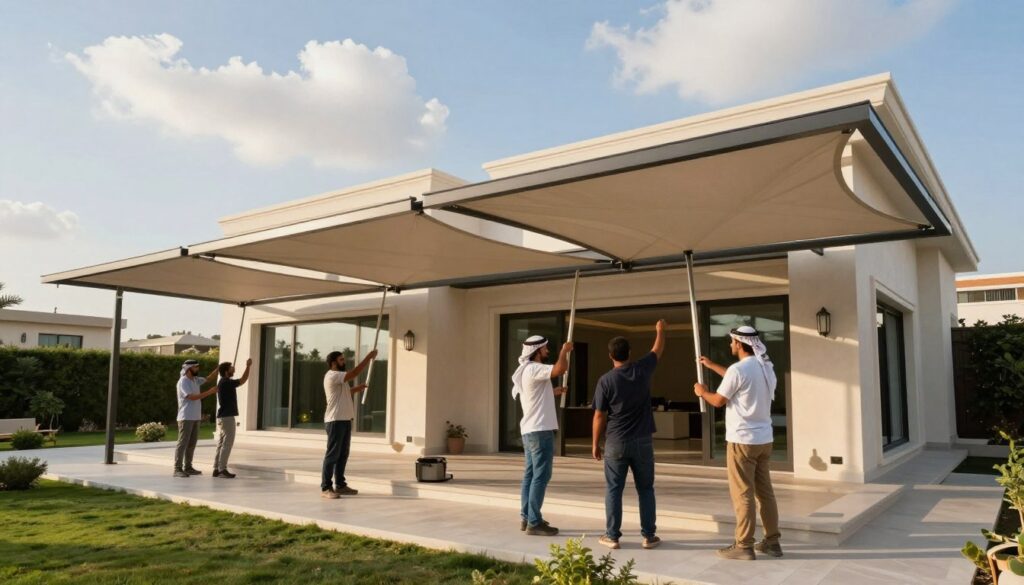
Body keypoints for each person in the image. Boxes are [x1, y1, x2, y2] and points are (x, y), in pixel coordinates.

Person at [694, 325, 782, 560]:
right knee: (765, 493)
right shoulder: (766, 367)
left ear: (740, 344)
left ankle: (743, 546)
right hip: (764, 440)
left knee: (743, 494)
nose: (730, 345)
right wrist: (711, 366)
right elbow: (739, 380)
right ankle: (772, 542)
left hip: (742, 441)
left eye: (732, 342)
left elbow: (719, 400)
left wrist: (702, 392)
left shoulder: (738, 370)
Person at [592, 319, 666, 550]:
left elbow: (599, 416)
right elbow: (657, 349)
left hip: (615, 442)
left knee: (614, 489)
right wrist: (660, 330)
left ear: (610, 355)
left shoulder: (605, 380)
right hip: (643, 440)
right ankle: (649, 536)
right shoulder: (642, 369)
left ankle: (612, 536)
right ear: (630, 353)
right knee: (646, 489)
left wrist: (595, 444)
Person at [511, 335, 572, 536]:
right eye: (545, 348)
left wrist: (553, 391)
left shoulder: (528, 371)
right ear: (537, 351)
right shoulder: (534, 368)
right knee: (541, 476)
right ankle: (534, 522)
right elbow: (559, 369)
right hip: (540, 431)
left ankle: (527, 516)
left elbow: (535, 394)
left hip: (530, 431)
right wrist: (565, 351)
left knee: (530, 475)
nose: (547, 351)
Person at [321, 349, 374, 499]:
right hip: (335, 420)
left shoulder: (339, 378)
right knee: (332, 455)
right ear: (333, 363)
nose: (344, 362)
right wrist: (369, 357)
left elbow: (343, 393)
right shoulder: (333, 375)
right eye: (341, 360)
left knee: (343, 454)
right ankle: (326, 488)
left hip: (344, 420)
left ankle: (340, 485)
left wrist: (357, 389)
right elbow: (355, 372)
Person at [174, 359, 219, 478]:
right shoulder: (183, 382)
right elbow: (191, 397)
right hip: (186, 417)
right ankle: (177, 469)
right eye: (195, 367)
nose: (197, 369)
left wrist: (218, 368)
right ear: (188, 369)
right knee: (183, 443)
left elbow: (208, 378)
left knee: (191, 444)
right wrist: (209, 392)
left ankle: (188, 467)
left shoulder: (195, 380)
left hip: (195, 417)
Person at [212, 358, 252, 478]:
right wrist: (248, 366)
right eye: (231, 367)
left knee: (221, 444)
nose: (233, 369)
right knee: (227, 444)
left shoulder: (223, 382)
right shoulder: (226, 382)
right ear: (226, 371)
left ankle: (216, 468)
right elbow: (243, 380)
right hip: (227, 417)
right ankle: (222, 469)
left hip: (223, 417)